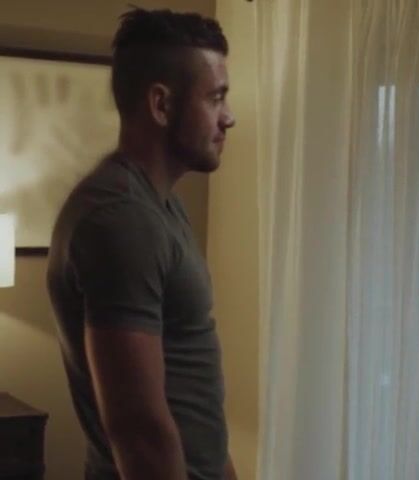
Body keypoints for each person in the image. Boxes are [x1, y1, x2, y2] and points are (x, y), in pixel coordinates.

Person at [46, 8, 237, 480]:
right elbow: (139, 431)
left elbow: (194, 390)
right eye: (215, 98)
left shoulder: (161, 206)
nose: (228, 118)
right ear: (161, 105)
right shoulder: (121, 218)